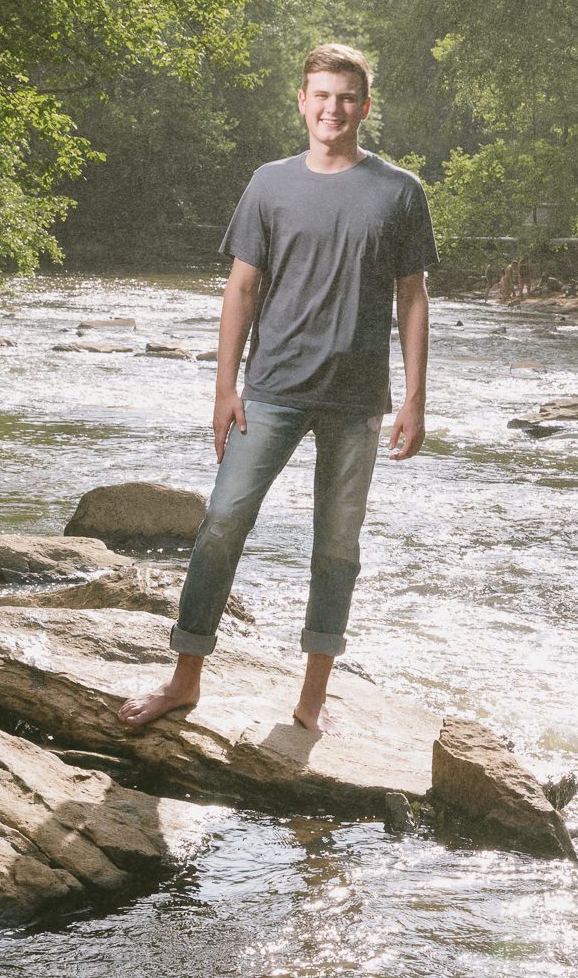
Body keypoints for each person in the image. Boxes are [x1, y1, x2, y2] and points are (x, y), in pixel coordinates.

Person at [120, 42, 438, 734]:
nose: (333, 108)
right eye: (321, 95)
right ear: (301, 101)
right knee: (221, 524)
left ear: (365, 106)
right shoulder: (268, 183)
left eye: (346, 97)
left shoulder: (399, 191)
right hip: (270, 389)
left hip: (356, 399)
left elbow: (412, 297)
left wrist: (415, 396)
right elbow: (242, 286)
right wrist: (223, 386)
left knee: (337, 547)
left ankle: (313, 696)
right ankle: (184, 677)